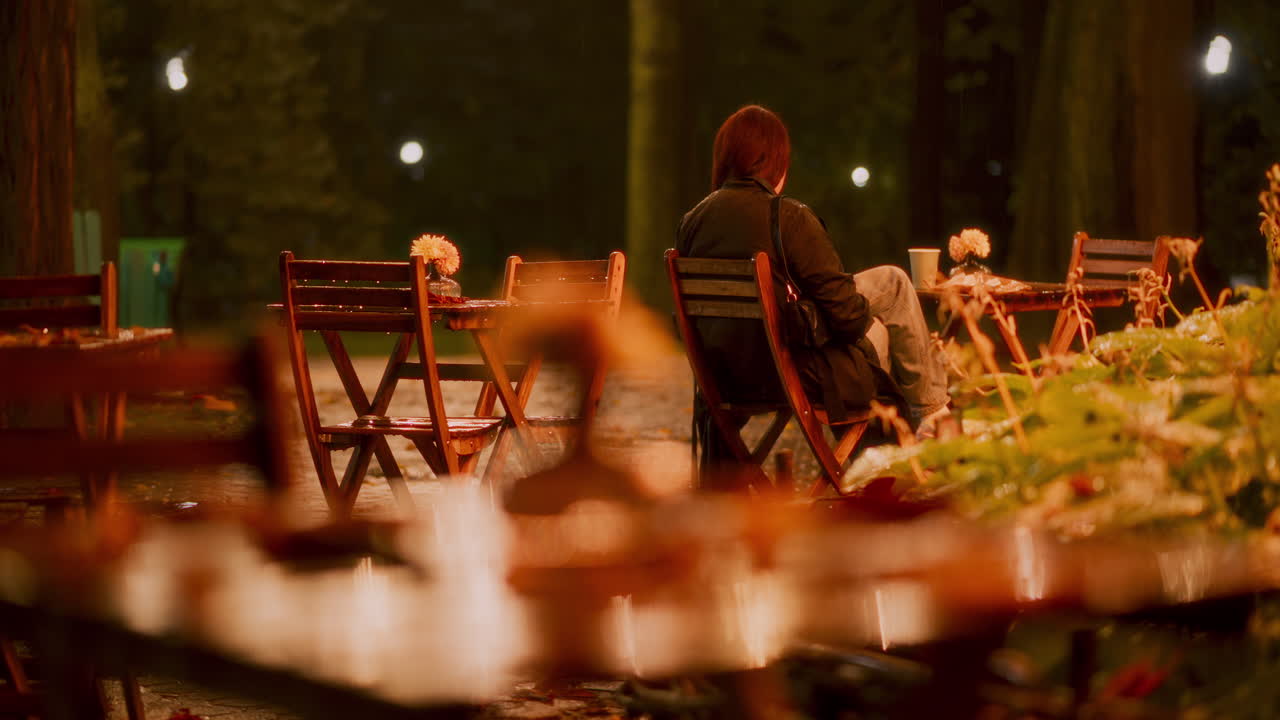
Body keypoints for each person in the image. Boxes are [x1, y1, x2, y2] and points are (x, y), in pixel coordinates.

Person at [676, 105, 952, 475]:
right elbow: (850, 321)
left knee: (890, 281)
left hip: (725, 375)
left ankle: (890, 460)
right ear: (775, 162)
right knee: (885, 323)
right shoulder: (786, 216)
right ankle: (929, 427)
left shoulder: (692, 223)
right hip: (788, 372)